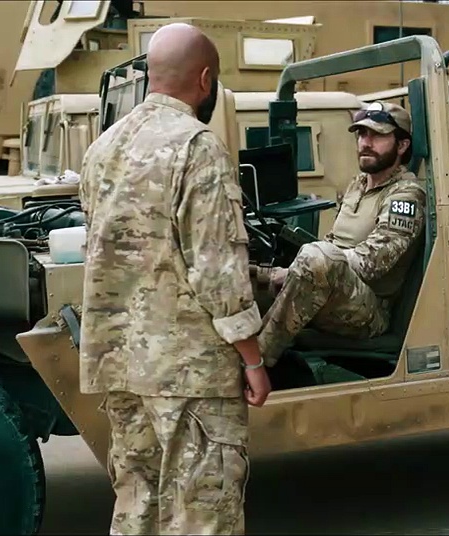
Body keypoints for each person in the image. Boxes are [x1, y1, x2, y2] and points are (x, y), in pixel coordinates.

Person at [77, 22, 268, 535]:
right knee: (201, 514)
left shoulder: (103, 148)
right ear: (205, 80)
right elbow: (218, 271)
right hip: (190, 372)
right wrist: (252, 359)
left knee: (137, 506)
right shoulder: (198, 146)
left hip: (120, 365)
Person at [254, 101, 428, 366]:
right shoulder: (357, 185)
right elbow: (333, 242)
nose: (365, 142)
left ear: (402, 145)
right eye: (362, 134)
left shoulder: (406, 195)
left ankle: (258, 362)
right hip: (333, 288)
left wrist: (301, 269)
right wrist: (285, 270)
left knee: (316, 258)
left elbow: (372, 263)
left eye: (377, 135)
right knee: (249, 275)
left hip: (369, 311)